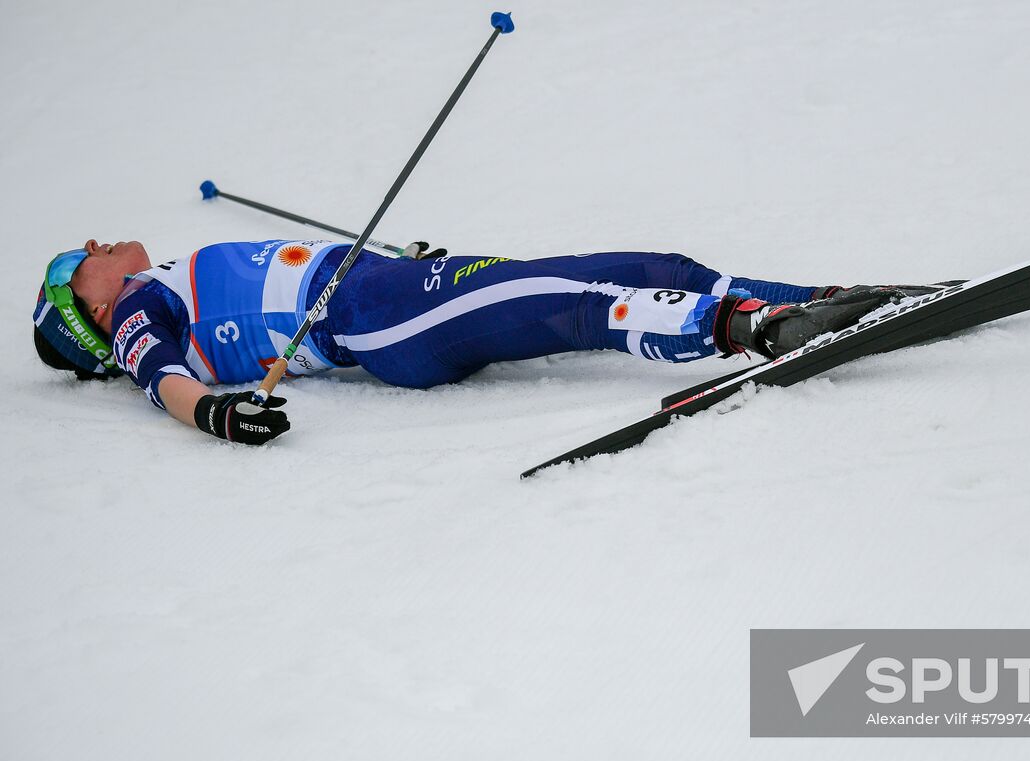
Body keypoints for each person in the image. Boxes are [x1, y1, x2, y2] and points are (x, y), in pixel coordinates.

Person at [34, 238, 948, 445]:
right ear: (89, 311)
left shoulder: (151, 284)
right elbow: (163, 383)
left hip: (384, 283)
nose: (97, 244)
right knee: (572, 299)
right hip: (367, 319)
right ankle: (752, 327)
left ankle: (828, 300)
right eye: (79, 262)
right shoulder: (137, 322)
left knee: (644, 260)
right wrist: (222, 418)